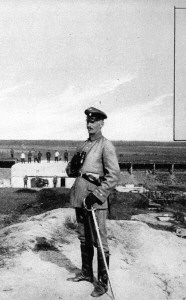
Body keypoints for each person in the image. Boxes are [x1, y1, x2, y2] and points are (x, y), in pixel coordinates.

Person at [66, 107, 120, 297]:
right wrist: (72, 166)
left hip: (95, 199)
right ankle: (87, 273)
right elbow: (71, 171)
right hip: (80, 196)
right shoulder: (83, 145)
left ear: (101, 123)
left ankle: (102, 284)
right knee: (83, 236)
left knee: (100, 240)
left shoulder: (106, 146)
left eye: (94, 122)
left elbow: (113, 176)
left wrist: (97, 194)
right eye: (88, 122)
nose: (90, 125)